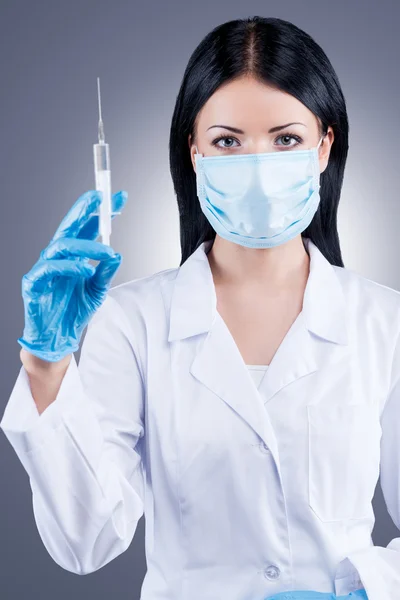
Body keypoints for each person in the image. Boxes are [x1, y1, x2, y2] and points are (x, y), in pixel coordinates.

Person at [1, 14, 399, 600]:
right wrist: (46, 368)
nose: (258, 166)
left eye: (285, 139)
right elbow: (86, 543)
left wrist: (367, 590)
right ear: (194, 152)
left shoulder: (384, 323)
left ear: (324, 147)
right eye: (228, 141)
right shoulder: (131, 322)